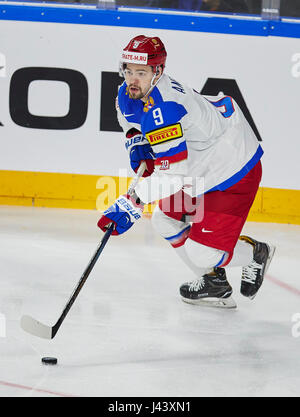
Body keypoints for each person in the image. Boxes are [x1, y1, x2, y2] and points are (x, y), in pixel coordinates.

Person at [97, 35, 275, 308]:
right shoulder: (128, 93)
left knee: (202, 252)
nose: (132, 79)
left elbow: (173, 175)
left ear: (158, 72)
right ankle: (214, 283)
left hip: (233, 168)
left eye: (141, 73)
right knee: (164, 220)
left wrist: (132, 203)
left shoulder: (164, 108)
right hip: (200, 164)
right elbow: (131, 124)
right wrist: (137, 144)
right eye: (129, 71)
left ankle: (255, 254)